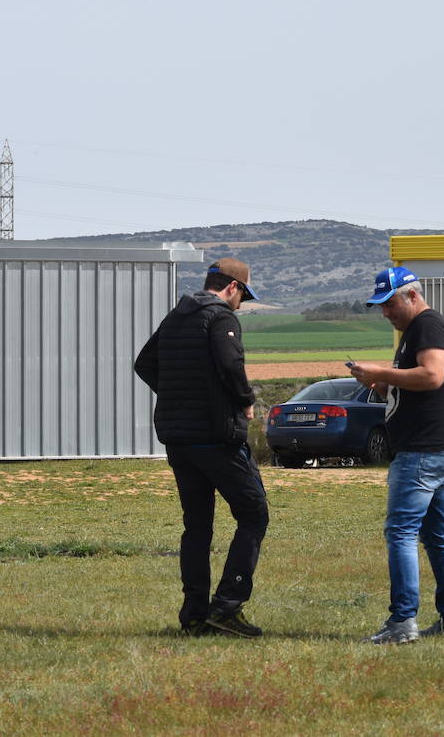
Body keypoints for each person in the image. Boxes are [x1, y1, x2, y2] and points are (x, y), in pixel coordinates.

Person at [135, 258, 269, 638]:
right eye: (243, 294)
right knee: (254, 513)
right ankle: (226, 608)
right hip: (215, 436)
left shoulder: (177, 316)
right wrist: (245, 399)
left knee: (197, 526)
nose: (241, 303)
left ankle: (194, 615)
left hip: (179, 439)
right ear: (232, 287)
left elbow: (144, 363)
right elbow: (230, 365)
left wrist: (179, 395)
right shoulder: (221, 317)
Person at [350, 266, 444, 645]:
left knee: (401, 532)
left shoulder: (427, 325)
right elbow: (417, 379)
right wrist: (383, 378)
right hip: (437, 447)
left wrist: (383, 371)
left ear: (413, 296)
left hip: (423, 450)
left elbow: (433, 376)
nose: (386, 313)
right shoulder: (413, 332)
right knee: (435, 535)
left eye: (390, 304)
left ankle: (402, 622)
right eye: (381, 307)